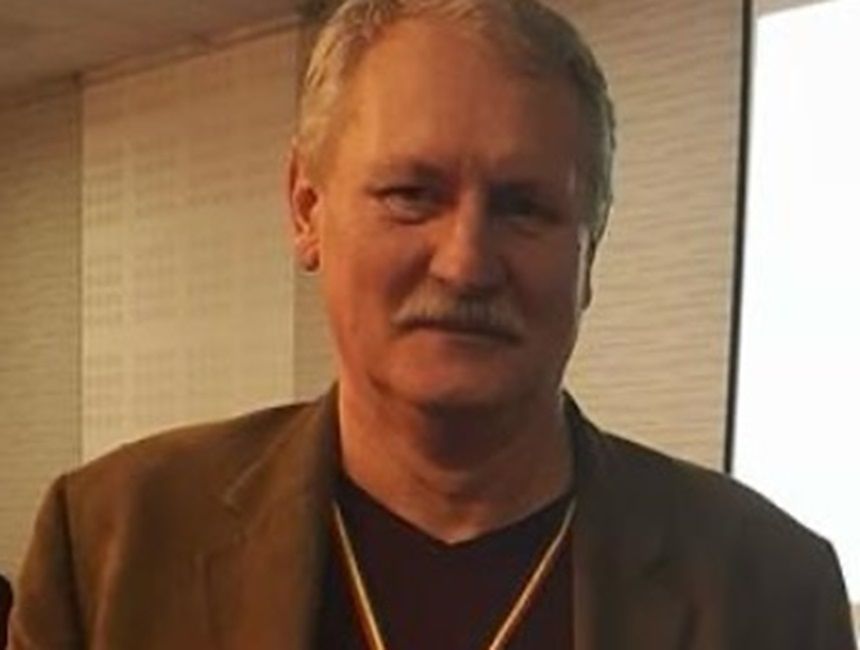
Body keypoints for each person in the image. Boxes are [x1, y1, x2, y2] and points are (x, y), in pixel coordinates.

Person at [9, 0, 856, 648]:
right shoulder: (114, 547)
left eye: (525, 207)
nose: (465, 263)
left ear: (589, 249)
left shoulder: (771, 590)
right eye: (411, 194)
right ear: (306, 209)